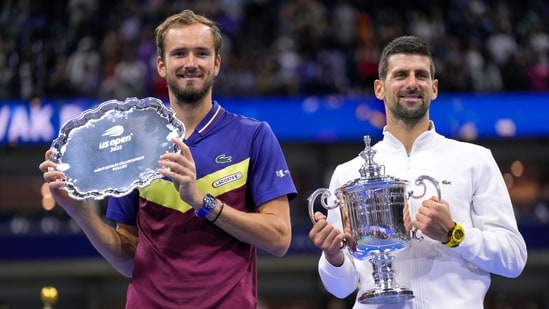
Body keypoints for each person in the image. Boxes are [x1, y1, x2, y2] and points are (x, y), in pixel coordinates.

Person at [39, 9, 297, 309]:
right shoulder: (133, 144)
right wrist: (79, 210)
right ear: (161, 65)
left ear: (216, 64)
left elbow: (279, 239)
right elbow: (128, 260)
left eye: (201, 53)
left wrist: (202, 201)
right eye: (179, 54)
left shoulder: (254, 136)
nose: (190, 63)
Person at [308, 35, 527, 308]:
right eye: (401, 75)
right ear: (380, 88)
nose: (412, 84)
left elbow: (514, 259)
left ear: (433, 88)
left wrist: (454, 234)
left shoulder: (475, 160)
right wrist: (333, 256)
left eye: (421, 75)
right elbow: (340, 288)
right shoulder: (349, 173)